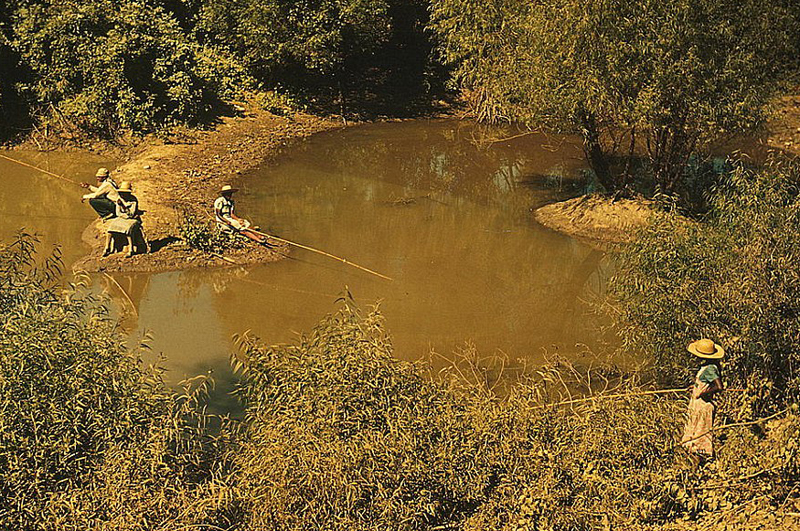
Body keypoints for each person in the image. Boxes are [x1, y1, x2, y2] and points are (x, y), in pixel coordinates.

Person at [681, 338, 725, 459]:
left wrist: (703, 393)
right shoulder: (707, 367)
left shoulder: (711, 368)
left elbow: (719, 386)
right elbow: (706, 383)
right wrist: (695, 387)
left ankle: (701, 462)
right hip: (698, 404)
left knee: (700, 434)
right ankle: (693, 460)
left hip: (703, 405)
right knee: (694, 432)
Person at [104, 181, 142, 257]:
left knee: (127, 230)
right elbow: (118, 213)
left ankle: (130, 249)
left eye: (125, 193)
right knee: (110, 229)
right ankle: (107, 248)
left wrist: (124, 207)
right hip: (122, 217)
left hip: (132, 219)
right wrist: (123, 215)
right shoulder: (119, 199)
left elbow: (131, 214)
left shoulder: (133, 201)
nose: (123, 195)